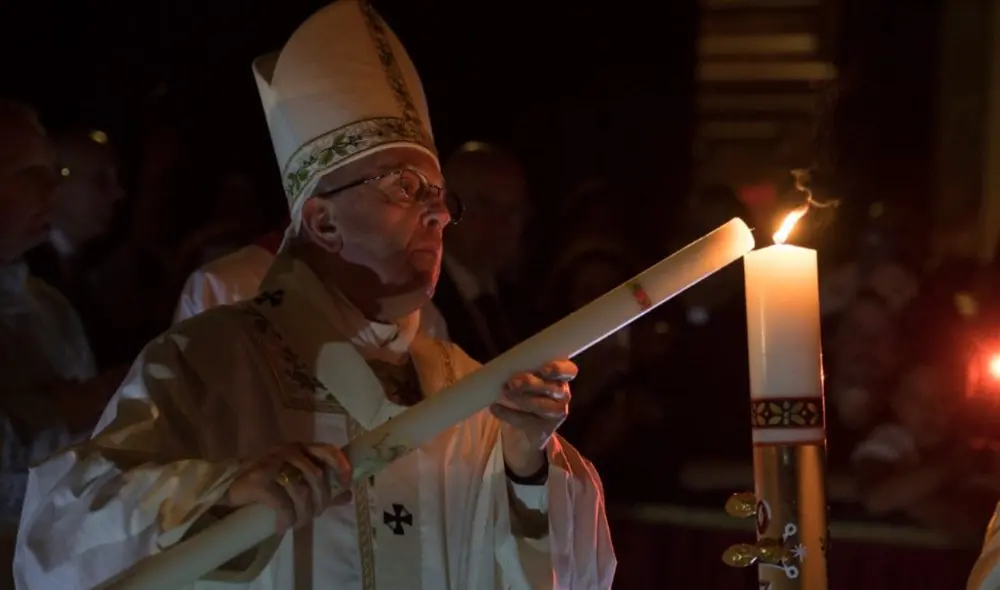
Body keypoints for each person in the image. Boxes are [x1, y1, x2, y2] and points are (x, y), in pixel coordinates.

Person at [13, 3, 615, 589]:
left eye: (440, 194)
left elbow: (583, 572)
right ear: (323, 223)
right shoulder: (211, 364)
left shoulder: (472, 391)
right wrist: (223, 494)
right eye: (408, 187)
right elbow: (59, 536)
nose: (437, 212)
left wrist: (525, 466)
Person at [0, 101, 123, 588]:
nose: (52, 188)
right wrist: (66, 408)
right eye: (28, 172)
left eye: (53, 171)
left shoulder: (48, 306)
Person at [434, 141, 529, 362]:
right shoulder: (420, 301)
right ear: (447, 205)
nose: (501, 223)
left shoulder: (521, 307)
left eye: (513, 210)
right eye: (485, 204)